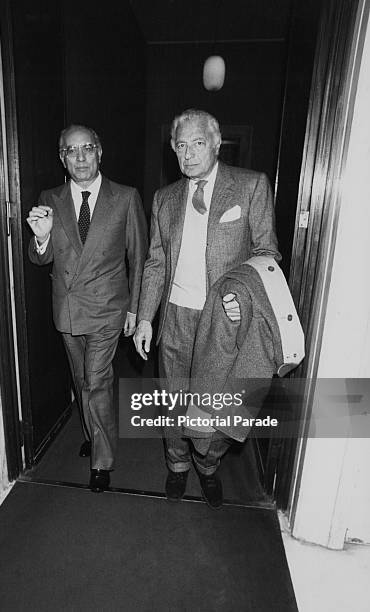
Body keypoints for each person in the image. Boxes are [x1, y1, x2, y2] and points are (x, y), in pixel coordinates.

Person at [134, 109, 280, 507]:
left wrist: (242, 298)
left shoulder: (250, 187)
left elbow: (267, 254)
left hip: (224, 321)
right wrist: (146, 316)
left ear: (216, 143)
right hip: (177, 316)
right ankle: (178, 464)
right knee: (174, 399)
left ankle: (208, 463)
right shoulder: (164, 199)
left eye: (197, 143)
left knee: (216, 403)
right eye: (180, 145)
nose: (188, 153)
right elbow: (156, 262)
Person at [27, 124, 148, 492]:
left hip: (108, 309)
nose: (80, 157)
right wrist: (42, 237)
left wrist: (137, 310)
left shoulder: (125, 197)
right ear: (62, 157)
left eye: (87, 149)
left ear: (100, 152)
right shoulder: (50, 197)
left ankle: (103, 461)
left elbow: (139, 257)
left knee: (97, 381)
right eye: (71, 150)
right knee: (80, 380)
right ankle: (93, 434)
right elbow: (38, 259)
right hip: (67, 311)